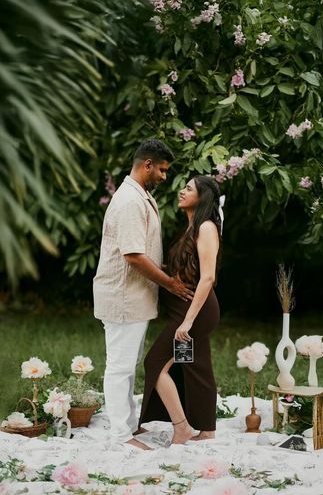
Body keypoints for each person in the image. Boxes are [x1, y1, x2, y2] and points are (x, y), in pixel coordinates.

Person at [93, 139, 194, 450]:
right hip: (122, 297)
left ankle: (128, 425)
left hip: (135, 299)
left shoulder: (141, 196)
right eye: (162, 170)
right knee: (119, 366)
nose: (165, 176)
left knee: (129, 365)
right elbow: (134, 256)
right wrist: (170, 284)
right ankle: (120, 436)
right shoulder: (128, 202)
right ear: (147, 165)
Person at [138, 175, 222, 444]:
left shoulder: (206, 227)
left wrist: (187, 322)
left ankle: (182, 427)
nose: (181, 191)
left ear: (203, 197)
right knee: (194, 365)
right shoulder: (190, 228)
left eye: (188, 188)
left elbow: (207, 277)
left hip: (195, 312)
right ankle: (207, 429)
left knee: (155, 363)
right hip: (185, 310)